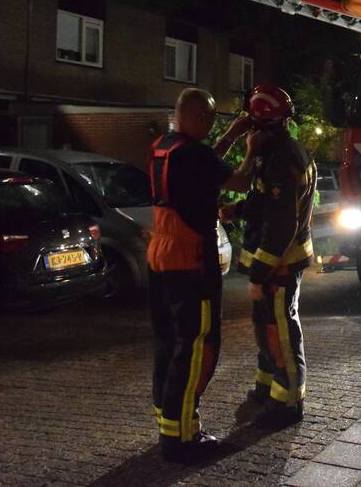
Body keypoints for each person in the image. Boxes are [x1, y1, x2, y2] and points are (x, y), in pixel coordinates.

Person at [147, 88, 254, 463]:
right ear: (192, 116)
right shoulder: (195, 153)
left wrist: (231, 136)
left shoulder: (166, 146)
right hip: (192, 261)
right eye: (208, 118)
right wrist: (253, 148)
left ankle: (167, 421)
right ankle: (182, 440)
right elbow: (238, 181)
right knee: (196, 346)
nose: (211, 125)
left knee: (167, 341)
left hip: (161, 256)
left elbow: (207, 162)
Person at [221, 85, 317, 429]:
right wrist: (239, 209)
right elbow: (266, 202)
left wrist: (259, 274)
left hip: (280, 264)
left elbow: (281, 224)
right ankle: (268, 385)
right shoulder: (271, 153)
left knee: (280, 329)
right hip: (275, 261)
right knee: (265, 326)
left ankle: (288, 400)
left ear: (261, 125)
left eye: (252, 123)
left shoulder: (282, 159)